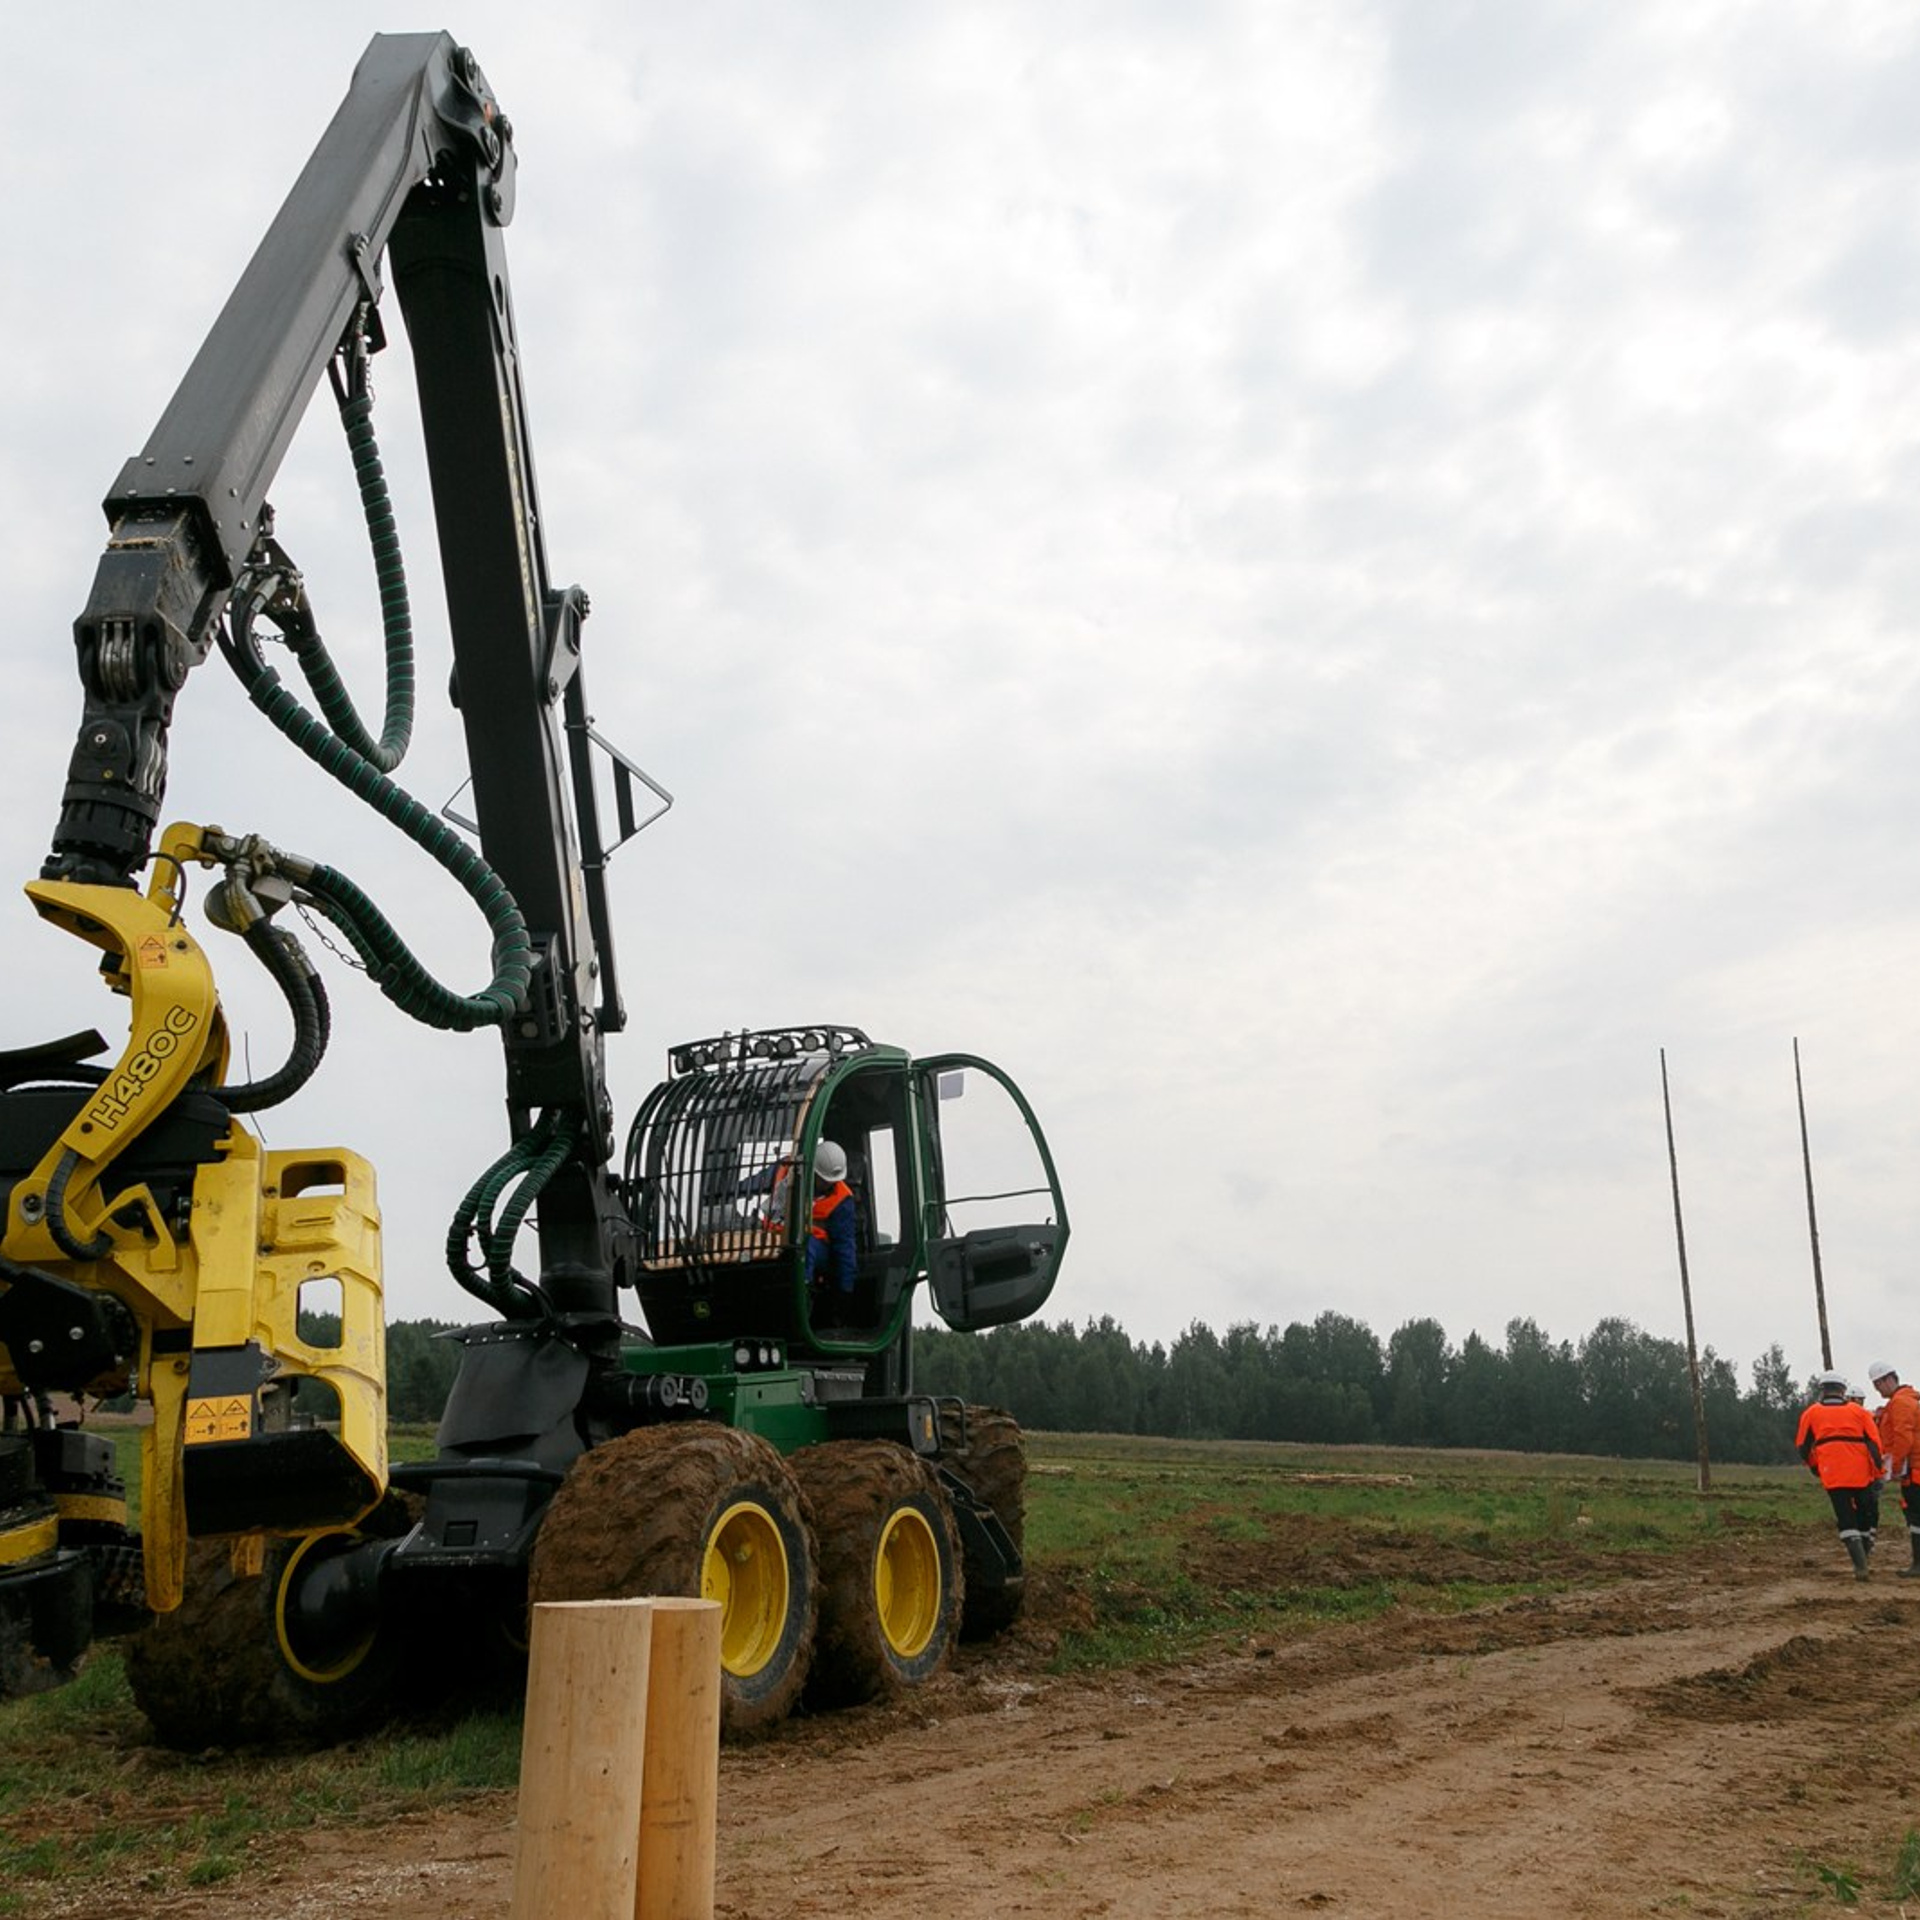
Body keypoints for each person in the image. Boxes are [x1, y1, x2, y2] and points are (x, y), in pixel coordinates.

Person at [739, 1140, 858, 1296]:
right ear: (812, 1170)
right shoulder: (786, 1169)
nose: (828, 1185)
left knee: (804, 1245)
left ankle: (803, 1291)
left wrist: (845, 1290)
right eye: (824, 1180)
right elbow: (753, 1184)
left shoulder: (842, 1200)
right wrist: (729, 1191)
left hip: (815, 1247)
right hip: (777, 1235)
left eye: (832, 1181)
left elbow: (844, 1246)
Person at [1796, 1371, 1885, 1580]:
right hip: (1861, 1473)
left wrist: (1815, 1467)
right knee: (1864, 1515)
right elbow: (1874, 1444)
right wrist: (1878, 1472)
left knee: (1845, 1516)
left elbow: (1802, 1447)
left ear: (1822, 1390)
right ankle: (1865, 1554)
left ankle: (1859, 1565)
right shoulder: (1859, 1412)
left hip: (1832, 1474)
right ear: (1843, 1390)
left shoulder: (1811, 1413)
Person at [1867, 1360, 1920, 1579]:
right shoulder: (1905, 1401)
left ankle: (1918, 1564)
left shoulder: (1901, 1403)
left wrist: (1895, 1466)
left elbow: (1903, 1438)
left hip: (1915, 1471)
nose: (1876, 1389)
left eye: (1878, 1384)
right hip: (1914, 1469)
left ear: (1889, 1379)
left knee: (1916, 1518)